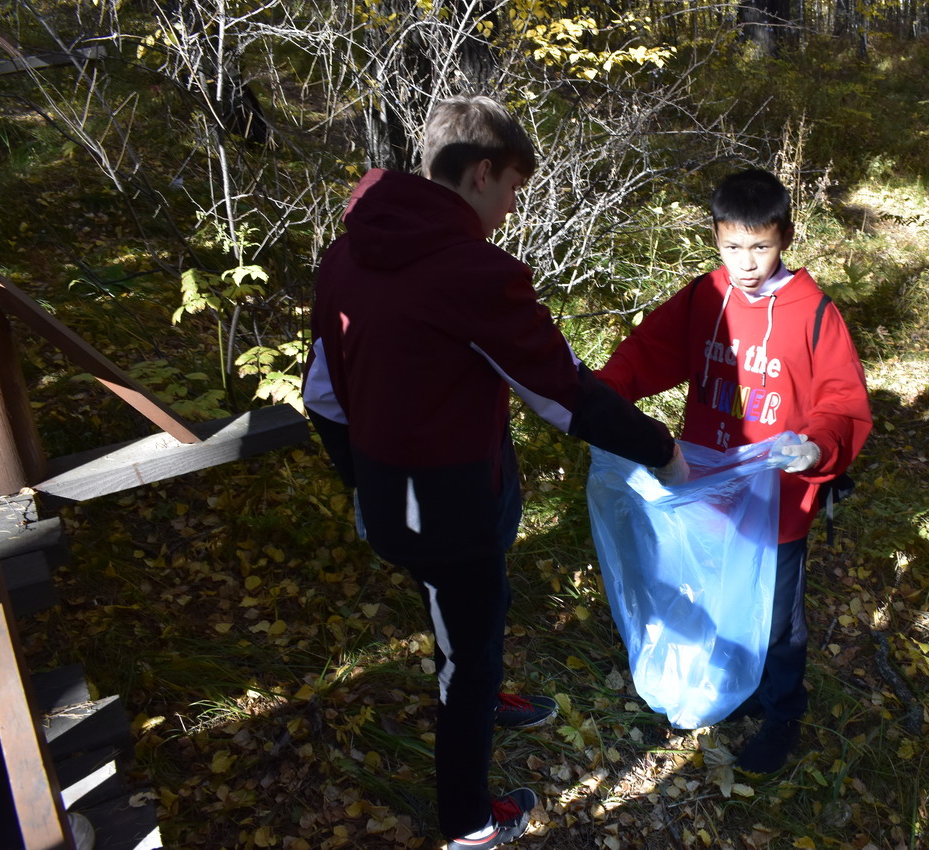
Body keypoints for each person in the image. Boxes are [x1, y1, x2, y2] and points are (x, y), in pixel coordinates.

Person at [302, 95, 688, 849]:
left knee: (462, 619)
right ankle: (469, 824)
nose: (512, 207)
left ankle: (482, 693)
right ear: (481, 173)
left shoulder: (346, 254)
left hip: (390, 497)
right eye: (512, 187)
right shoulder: (472, 272)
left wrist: (361, 483)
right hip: (453, 511)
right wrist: (661, 448)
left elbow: (320, 391)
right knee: (468, 661)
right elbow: (563, 394)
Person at [596, 167, 872, 774]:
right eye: (732, 247)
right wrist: (601, 396)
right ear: (716, 238)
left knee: (776, 620)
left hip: (779, 502)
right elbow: (647, 352)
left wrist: (817, 447)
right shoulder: (705, 298)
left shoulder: (813, 313)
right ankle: (736, 686)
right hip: (707, 486)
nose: (746, 263)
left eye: (760, 247)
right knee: (718, 592)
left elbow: (842, 400)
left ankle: (782, 711)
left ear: (785, 238)